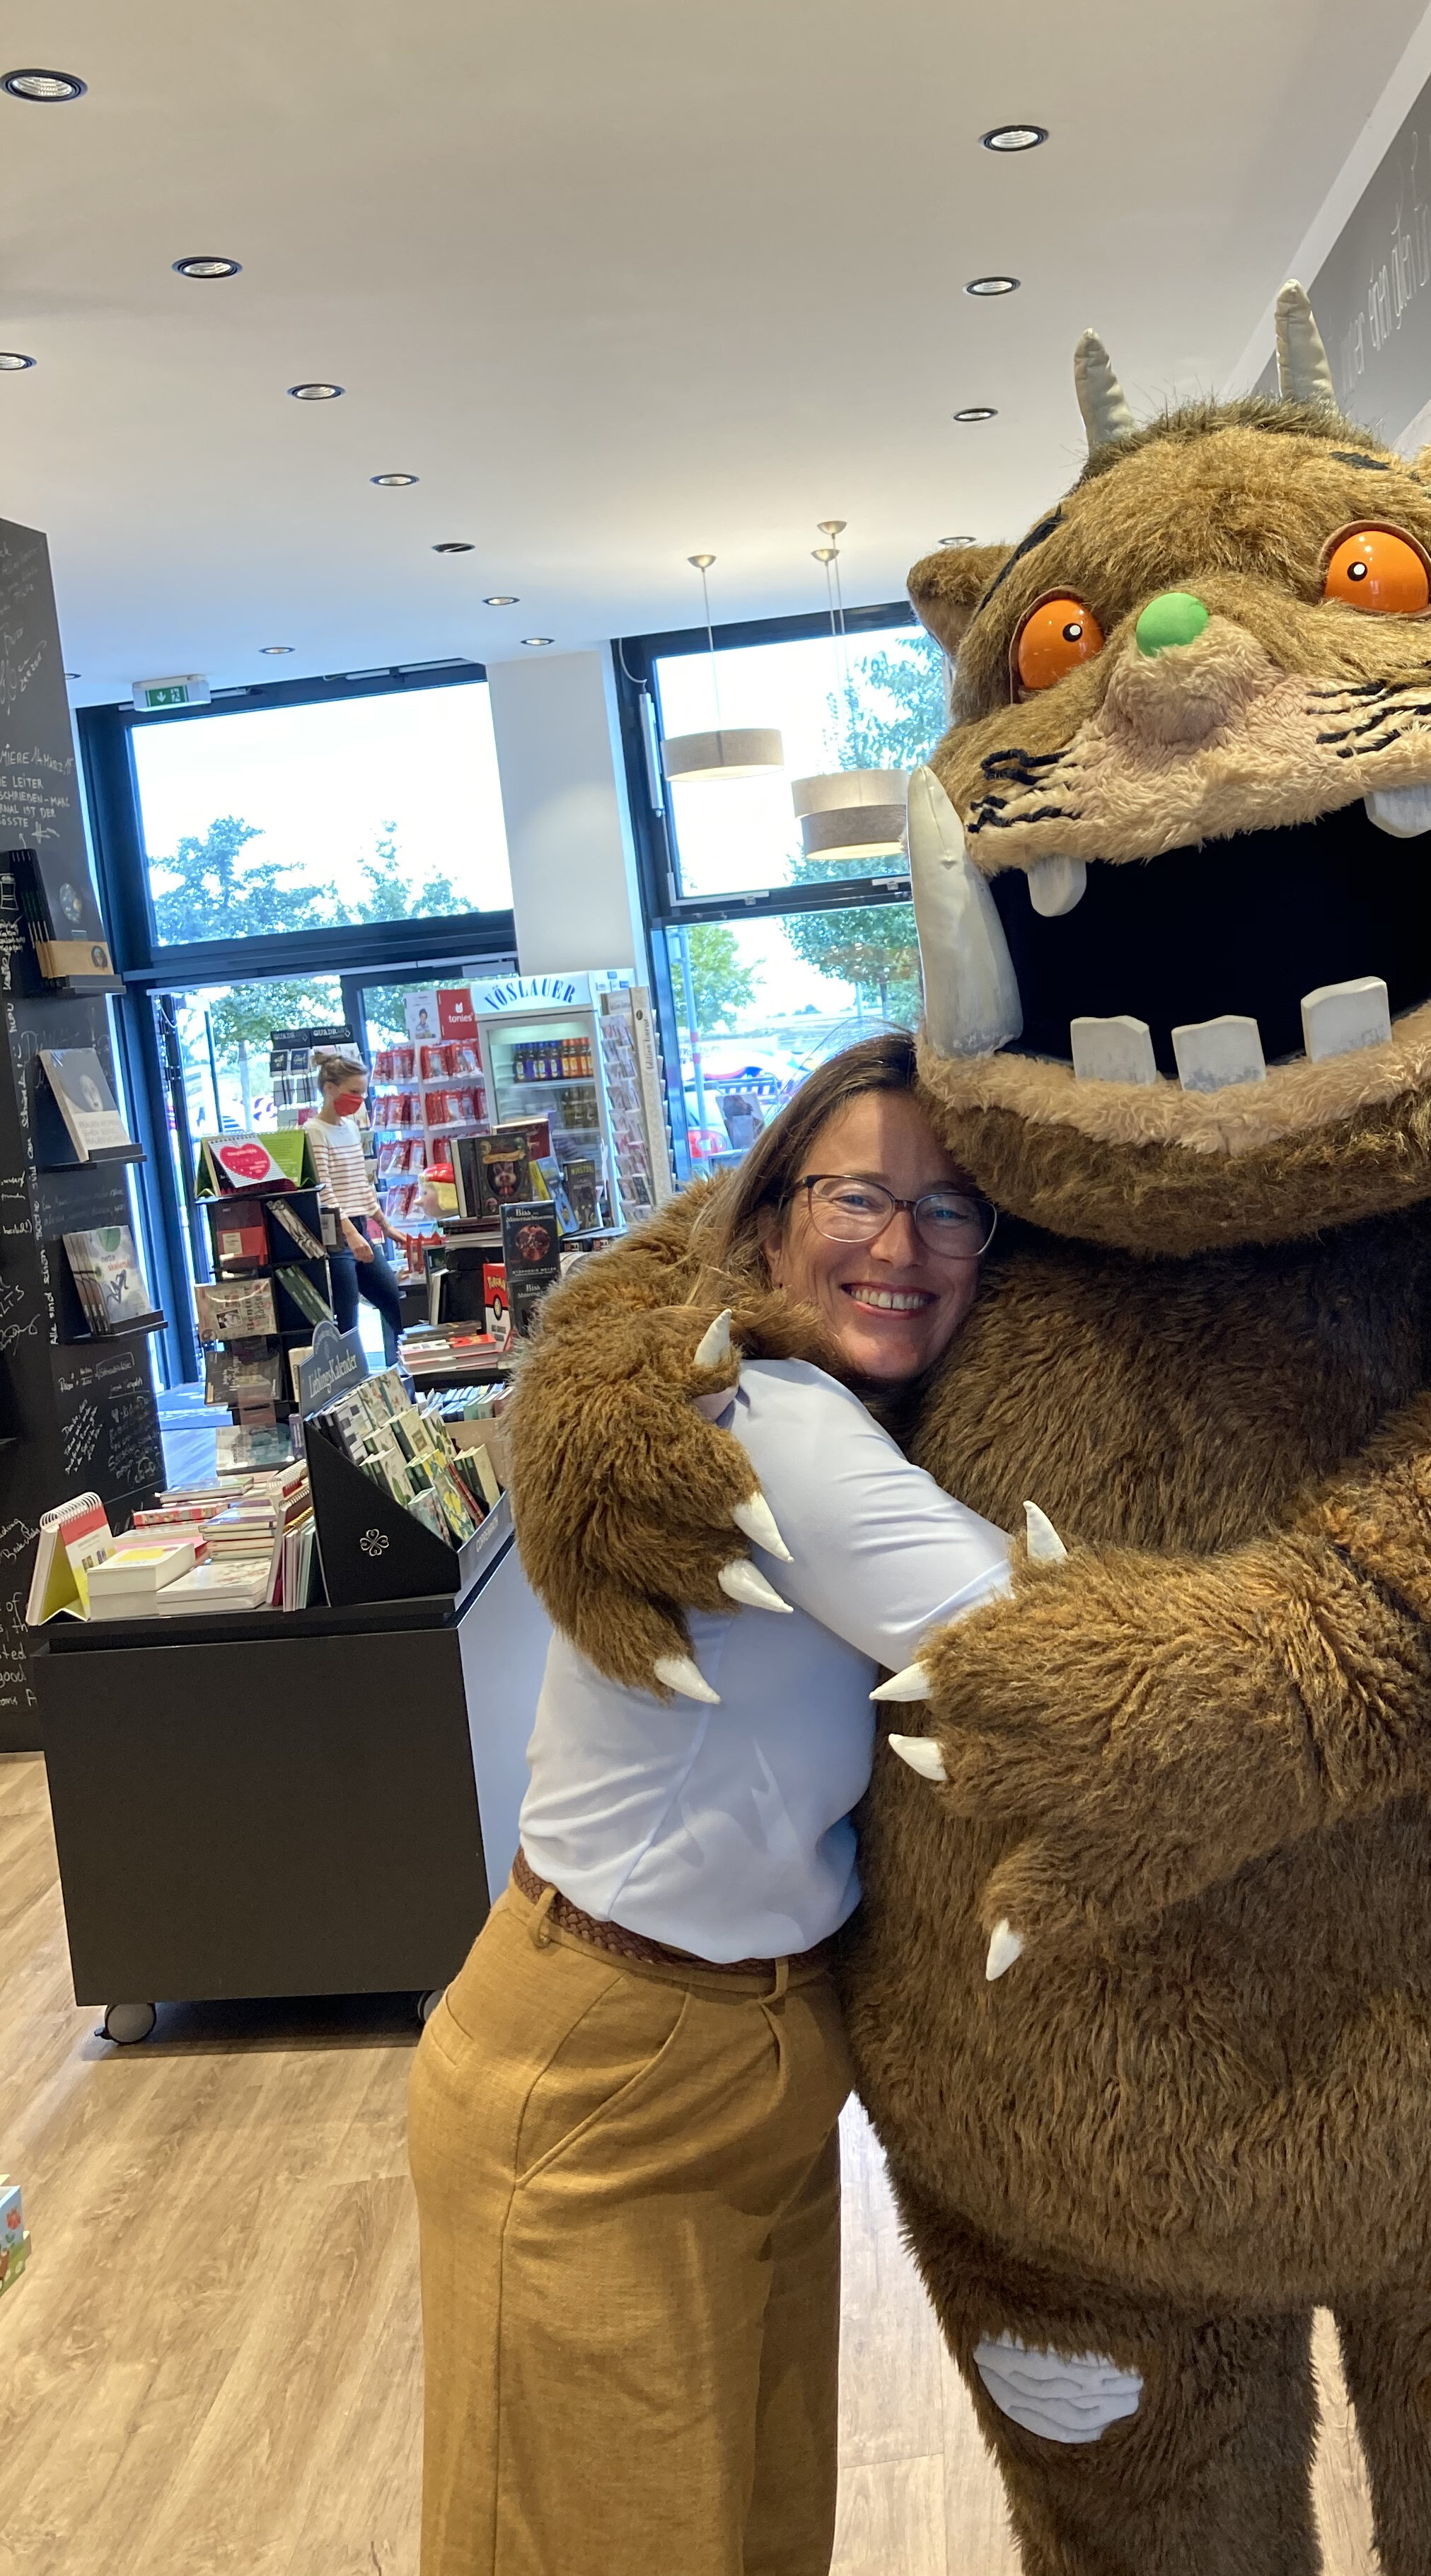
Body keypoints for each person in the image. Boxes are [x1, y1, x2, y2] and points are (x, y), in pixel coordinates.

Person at [407, 1033, 1006, 2576]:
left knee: (747, 2528)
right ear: (769, 1219)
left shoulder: (822, 1406)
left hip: (753, 2040)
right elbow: (1029, 1640)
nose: (901, 1247)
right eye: (859, 1197)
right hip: (611, 2050)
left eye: (953, 1212)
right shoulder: (777, 1427)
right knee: (587, 2540)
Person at [307, 1051, 403, 1358]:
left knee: (394, 1299)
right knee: (347, 1322)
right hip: (336, 1236)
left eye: (363, 1092)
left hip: (358, 1227)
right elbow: (324, 1191)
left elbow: (361, 1183)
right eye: (354, 1092)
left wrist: (385, 1225)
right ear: (330, 1089)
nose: (360, 1099)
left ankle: (408, 1370)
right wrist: (351, 1235)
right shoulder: (314, 1131)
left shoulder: (349, 1127)